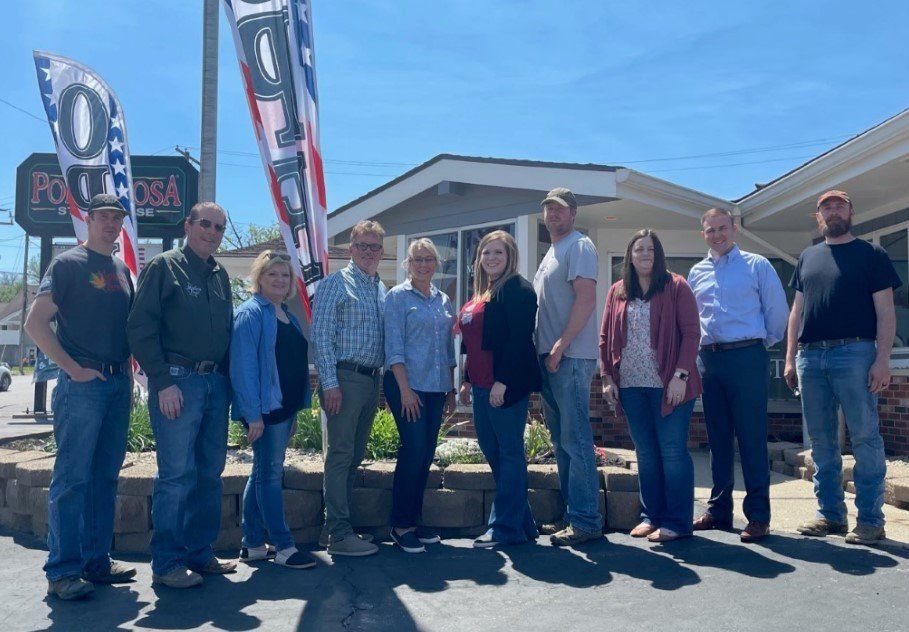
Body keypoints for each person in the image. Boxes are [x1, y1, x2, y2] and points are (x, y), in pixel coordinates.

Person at [26, 194, 136, 600]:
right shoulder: (67, 264)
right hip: (82, 386)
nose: (111, 223)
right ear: (88, 220)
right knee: (72, 479)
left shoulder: (122, 268)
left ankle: (96, 561)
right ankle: (63, 571)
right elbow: (35, 324)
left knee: (104, 477)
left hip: (117, 384)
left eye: (117, 217)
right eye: (104, 216)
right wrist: (71, 369)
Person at [127, 201, 235, 587]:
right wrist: (162, 380)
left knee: (210, 473)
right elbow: (140, 327)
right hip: (177, 380)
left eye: (219, 227)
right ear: (188, 225)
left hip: (214, 384)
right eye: (205, 224)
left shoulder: (220, 274)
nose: (212, 232)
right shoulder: (164, 266)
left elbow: (227, 332)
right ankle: (168, 563)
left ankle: (199, 552)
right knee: (175, 475)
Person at [784, 190, 898, 546]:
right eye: (826, 207)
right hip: (811, 357)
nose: (833, 211)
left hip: (856, 354)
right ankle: (831, 515)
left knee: (865, 438)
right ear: (818, 217)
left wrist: (882, 359)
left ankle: (870, 520)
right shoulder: (807, 257)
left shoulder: (872, 254)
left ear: (851, 211)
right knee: (822, 442)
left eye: (839, 205)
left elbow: (886, 312)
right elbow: (796, 312)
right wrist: (790, 357)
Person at [687, 208, 789, 542]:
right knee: (717, 438)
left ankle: (758, 516)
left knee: (751, 438)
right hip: (709, 360)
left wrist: (757, 347)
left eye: (722, 228)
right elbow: (692, 320)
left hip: (747, 357)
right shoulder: (696, 272)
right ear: (702, 233)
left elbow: (777, 314)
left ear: (735, 229)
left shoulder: (757, 265)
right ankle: (718, 511)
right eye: (710, 229)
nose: (717, 234)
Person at [599, 229, 702, 542]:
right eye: (638, 249)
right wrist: (606, 378)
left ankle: (678, 521)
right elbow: (604, 337)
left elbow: (692, 334)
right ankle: (651, 515)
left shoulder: (676, 286)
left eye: (650, 250)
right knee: (645, 453)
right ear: (630, 255)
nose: (645, 254)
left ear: (659, 255)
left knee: (672, 452)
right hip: (631, 386)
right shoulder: (618, 291)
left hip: (669, 385)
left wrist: (680, 375)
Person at [230, 250, 316, 569]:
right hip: (264, 411)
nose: (279, 280)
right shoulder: (250, 314)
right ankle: (283, 546)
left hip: (284, 410)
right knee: (270, 474)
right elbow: (243, 368)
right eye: (272, 274)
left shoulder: (287, 314)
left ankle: (252, 543)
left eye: (284, 275)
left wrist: (293, 412)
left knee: (263, 470)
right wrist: (252, 414)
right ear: (259, 278)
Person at [458, 230, 541, 548]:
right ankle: (523, 524)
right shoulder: (483, 292)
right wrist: (467, 379)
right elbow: (474, 343)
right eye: (486, 253)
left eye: (498, 253)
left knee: (508, 454)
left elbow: (519, 340)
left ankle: (505, 528)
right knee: (495, 454)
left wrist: (502, 382)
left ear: (510, 258)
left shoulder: (517, 289)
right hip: (479, 385)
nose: (491, 258)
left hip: (503, 386)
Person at [312, 220, 387, 557]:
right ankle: (339, 535)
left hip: (372, 380)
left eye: (375, 246)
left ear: (382, 251)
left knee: (354, 456)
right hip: (344, 378)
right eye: (363, 246)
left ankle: (338, 527)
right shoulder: (335, 284)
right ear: (351, 248)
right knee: (340, 456)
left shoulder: (379, 288)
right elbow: (321, 337)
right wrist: (329, 383)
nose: (369, 252)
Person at [533, 187, 603, 546]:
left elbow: (587, 300)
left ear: (573, 213)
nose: (553, 214)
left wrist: (560, 345)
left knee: (575, 441)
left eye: (559, 209)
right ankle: (572, 515)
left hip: (571, 358)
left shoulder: (579, 246)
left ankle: (587, 521)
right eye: (548, 209)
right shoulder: (552, 252)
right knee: (562, 443)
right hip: (551, 360)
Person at [383, 239, 457, 553]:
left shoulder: (443, 299)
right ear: (408, 264)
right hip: (406, 385)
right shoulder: (397, 297)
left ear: (436, 264)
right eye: (417, 260)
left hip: (436, 386)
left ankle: (414, 519)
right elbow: (393, 347)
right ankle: (400, 525)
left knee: (426, 452)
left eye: (428, 259)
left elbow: (446, 350)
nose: (423, 265)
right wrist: (405, 390)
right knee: (413, 449)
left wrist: (451, 387)